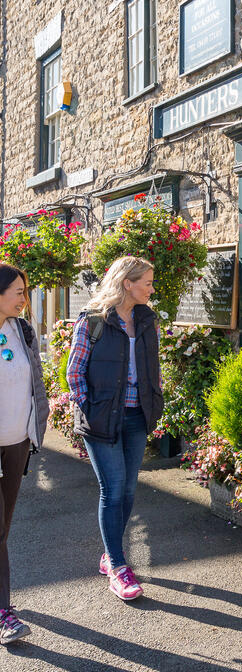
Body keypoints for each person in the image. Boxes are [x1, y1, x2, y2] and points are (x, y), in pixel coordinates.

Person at [67, 256, 163, 601]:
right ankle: (120, 567)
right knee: (113, 488)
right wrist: (91, 409)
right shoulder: (93, 321)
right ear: (127, 283)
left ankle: (110, 556)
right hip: (102, 419)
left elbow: (153, 367)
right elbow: (74, 372)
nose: (152, 289)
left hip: (138, 415)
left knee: (128, 490)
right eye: (148, 283)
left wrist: (155, 399)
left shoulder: (146, 320)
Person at [0, 263, 49, 643]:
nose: (24, 298)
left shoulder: (23, 330)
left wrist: (36, 431)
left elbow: (35, 382)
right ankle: (4, 612)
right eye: (18, 291)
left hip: (17, 443)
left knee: (4, 527)